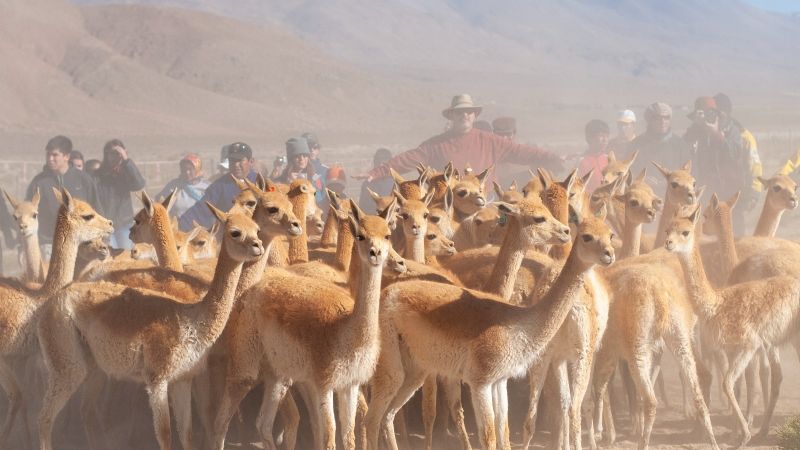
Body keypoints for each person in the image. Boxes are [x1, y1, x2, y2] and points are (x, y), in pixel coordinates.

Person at [354, 94, 564, 185]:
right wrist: (377, 172)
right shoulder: (436, 144)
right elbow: (407, 159)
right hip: (452, 207)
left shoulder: (490, 141)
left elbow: (522, 152)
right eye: (460, 112)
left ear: (474, 116)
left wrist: (552, 158)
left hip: (487, 204)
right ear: (452, 116)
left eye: (469, 112)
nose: (465, 115)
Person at [25, 135, 102, 256]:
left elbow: (96, 210)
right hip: (49, 244)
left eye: (55, 155)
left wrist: (99, 238)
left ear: (66, 156)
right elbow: (28, 212)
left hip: (81, 244)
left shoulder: (83, 180)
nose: (50, 159)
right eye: (48, 155)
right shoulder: (39, 182)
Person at [683, 96, 748, 231]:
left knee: (734, 232)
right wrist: (696, 126)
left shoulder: (731, 130)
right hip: (706, 190)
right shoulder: (696, 131)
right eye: (703, 114)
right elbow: (683, 149)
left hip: (730, 191)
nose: (708, 117)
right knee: (708, 231)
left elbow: (735, 153)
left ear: (717, 114)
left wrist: (716, 134)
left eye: (711, 113)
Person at [178, 142, 259, 231]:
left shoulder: (261, 183)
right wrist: (179, 226)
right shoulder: (219, 186)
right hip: (230, 239)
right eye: (232, 160)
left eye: (240, 160)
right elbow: (201, 210)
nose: (236, 165)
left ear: (251, 161)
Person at [627, 102, 692, 192]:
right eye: (658, 118)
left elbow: (690, 174)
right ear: (649, 120)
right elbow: (626, 172)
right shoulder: (636, 145)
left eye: (666, 118)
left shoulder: (681, 146)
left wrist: (671, 180)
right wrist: (641, 179)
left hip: (675, 196)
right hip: (643, 197)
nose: (663, 121)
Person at [95, 139, 146, 250]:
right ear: (106, 155)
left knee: (126, 255)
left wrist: (127, 161)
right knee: (110, 257)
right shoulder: (99, 175)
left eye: (117, 153)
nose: (114, 157)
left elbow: (139, 184)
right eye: (110, 153)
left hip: (124, 223)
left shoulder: (125, 173)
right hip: (105, 225)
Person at [714, 93, 763, 207]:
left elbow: (755, 167)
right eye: (714, 113)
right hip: (714, 193)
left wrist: (754, 194)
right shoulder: (707, 134)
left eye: (719, 114)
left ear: (727, 113)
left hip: (738, 195)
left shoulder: (745, 137)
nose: (717, 118)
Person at [156, 154, 210, 218]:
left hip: (201, 225)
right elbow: (159, 202)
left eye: (190, 169)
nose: (187, 172)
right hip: (178, 225)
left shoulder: (207, 187)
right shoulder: (174, 185)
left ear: (197, 169)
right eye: (184, 169)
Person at [277, 137, 325, 202]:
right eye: (297, 156)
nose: (301, 159)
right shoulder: (281, 180)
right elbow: (277, 201)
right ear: (291, 159)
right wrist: (287, 186)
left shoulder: (316, 179)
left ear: (308, 158)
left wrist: (311, 189)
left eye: (305, 155)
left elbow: (320, 199)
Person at [578, 119, 610, 192]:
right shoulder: (580, 162)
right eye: (601, 136)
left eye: (607, 136)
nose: (605, 139)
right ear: (589, 138)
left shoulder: (609, 159)